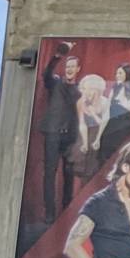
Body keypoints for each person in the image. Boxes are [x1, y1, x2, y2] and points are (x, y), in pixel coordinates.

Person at [37, 46, 81, 222]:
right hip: (53, 134)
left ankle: (66, 210)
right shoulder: (55, 82)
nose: (69, 70)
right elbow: (46, 74)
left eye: (73, 67)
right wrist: (57, 56)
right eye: (67, 67)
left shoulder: (81, 89)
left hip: (71, 136)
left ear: (78, 69)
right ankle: (49, 212)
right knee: (50, 172)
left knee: (69, 173)